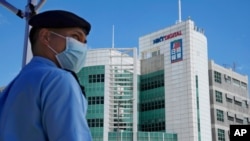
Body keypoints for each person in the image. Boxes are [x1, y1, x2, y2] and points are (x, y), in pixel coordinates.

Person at [0, 10, 92, 141]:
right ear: (45, 36)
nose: (82, 47)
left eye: (84, 42)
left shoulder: (12, 87)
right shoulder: (59, 79)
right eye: (76, 37)